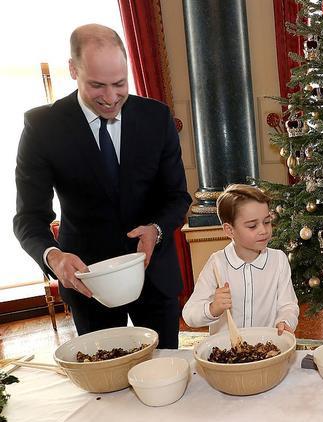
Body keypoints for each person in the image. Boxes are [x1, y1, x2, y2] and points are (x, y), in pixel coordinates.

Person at [13, 24, 191, 349]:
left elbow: (177, 196)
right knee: (106, 390)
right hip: (87, 284)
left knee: (166, 382)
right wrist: (54, 258)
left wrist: (156, 229)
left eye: (119, 84)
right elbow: (28, 218)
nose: (111, 98)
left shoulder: (157, 118)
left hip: (155, 279)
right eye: (97, 86)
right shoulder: (42, 128)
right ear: (72, 69)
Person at [182, 184, 299, 335]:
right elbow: (189, 314)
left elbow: (288, 305)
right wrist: (213, 308)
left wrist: (285, 321)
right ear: (229, 230)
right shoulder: (217, 263)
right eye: (252, 226)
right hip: (227, 353)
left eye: (267, 222)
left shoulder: (278, 260)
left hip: (266, 348)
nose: (263, 231)